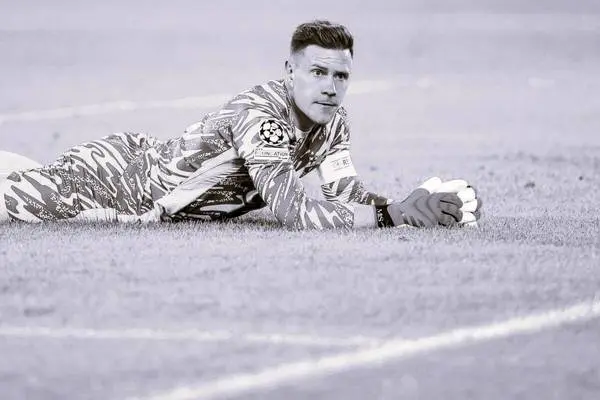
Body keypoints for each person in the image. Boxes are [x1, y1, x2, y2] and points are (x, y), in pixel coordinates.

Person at [0, 20, 481, 229]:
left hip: (139, 165)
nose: (331, 87)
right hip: (118, 185)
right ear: (289, 71)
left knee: (30, 176)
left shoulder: (334, 122)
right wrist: (392, 217)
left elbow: (344, 194)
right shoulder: (262, 119)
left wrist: (403, 204)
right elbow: (295, 212)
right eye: (318, 72)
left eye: (341, 76)